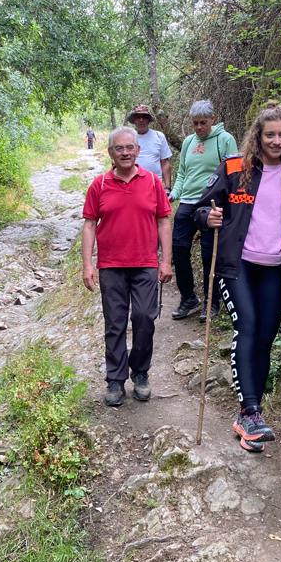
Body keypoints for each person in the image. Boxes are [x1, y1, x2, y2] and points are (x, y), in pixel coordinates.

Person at [194, 101, 281, 453]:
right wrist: (208, 218)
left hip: (276, 271)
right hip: (237, 265)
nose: (276, 141)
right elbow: (200, 209)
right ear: (257, 136)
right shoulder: (234, 168)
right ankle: (251, 410)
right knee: (247, 326)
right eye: (270, 135)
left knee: (265, 339)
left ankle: (250, 419)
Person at [82, 127, 174, 406]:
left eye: (130, 148)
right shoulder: (99, 185)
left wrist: (166, 260)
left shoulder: (153, 182)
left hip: (145, 263)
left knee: (145, 318)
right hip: (110, 266)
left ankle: (141, 373)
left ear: (138, 151)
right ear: (111, 152)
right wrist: (88, 264)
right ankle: (115, 380)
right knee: (115, 323)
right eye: (119, 148)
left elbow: (163, 221)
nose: (125, 152)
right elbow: (89, 225)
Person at [168, 100, 238, 322]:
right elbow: (182, 173)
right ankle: (188, 298)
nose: (199, 127)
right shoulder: (189, 141)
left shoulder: (225, 140)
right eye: (195, 123)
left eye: (203, 123)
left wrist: (231, 205)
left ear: (212, 120)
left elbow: (234, 173)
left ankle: (212, 302)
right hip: (187, 202)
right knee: (178, 249)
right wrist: (173, 194)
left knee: (210, 254)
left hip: (212, 204)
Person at [126, 104, 172, 189]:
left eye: (144, 117)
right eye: (138, 117)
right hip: (132, 185)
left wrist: (167, 187)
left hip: (155, 185)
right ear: (134, 120)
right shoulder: (127, 138)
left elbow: (165, 163)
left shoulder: (159, 136)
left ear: (149, 120)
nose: (141, 120)